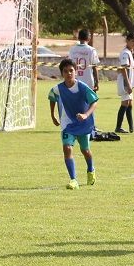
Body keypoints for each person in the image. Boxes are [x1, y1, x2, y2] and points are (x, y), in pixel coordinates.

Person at [49, 59, 98, 190]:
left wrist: (86, 115)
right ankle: (73, 179)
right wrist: (53, 115)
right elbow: (52, 97)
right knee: (67, 148)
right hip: (67, 125)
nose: (69, 73)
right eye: (65, 71)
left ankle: (91, 169)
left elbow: (94, 102)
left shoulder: (82, 87)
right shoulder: (57, 89)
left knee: (85, 151)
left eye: (71, 70)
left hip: (83, 124)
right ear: (62, 73)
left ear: (76, 72)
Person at [115, 32, 134, 133]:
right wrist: (128, 84)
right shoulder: (125, 53)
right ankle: (118, 127)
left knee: (129, 104)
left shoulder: (130, 52)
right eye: (133, 41)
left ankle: (131, 127)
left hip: (129, 82)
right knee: (125, 103)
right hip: (125, 82)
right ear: (127, 41)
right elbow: (124, 69)